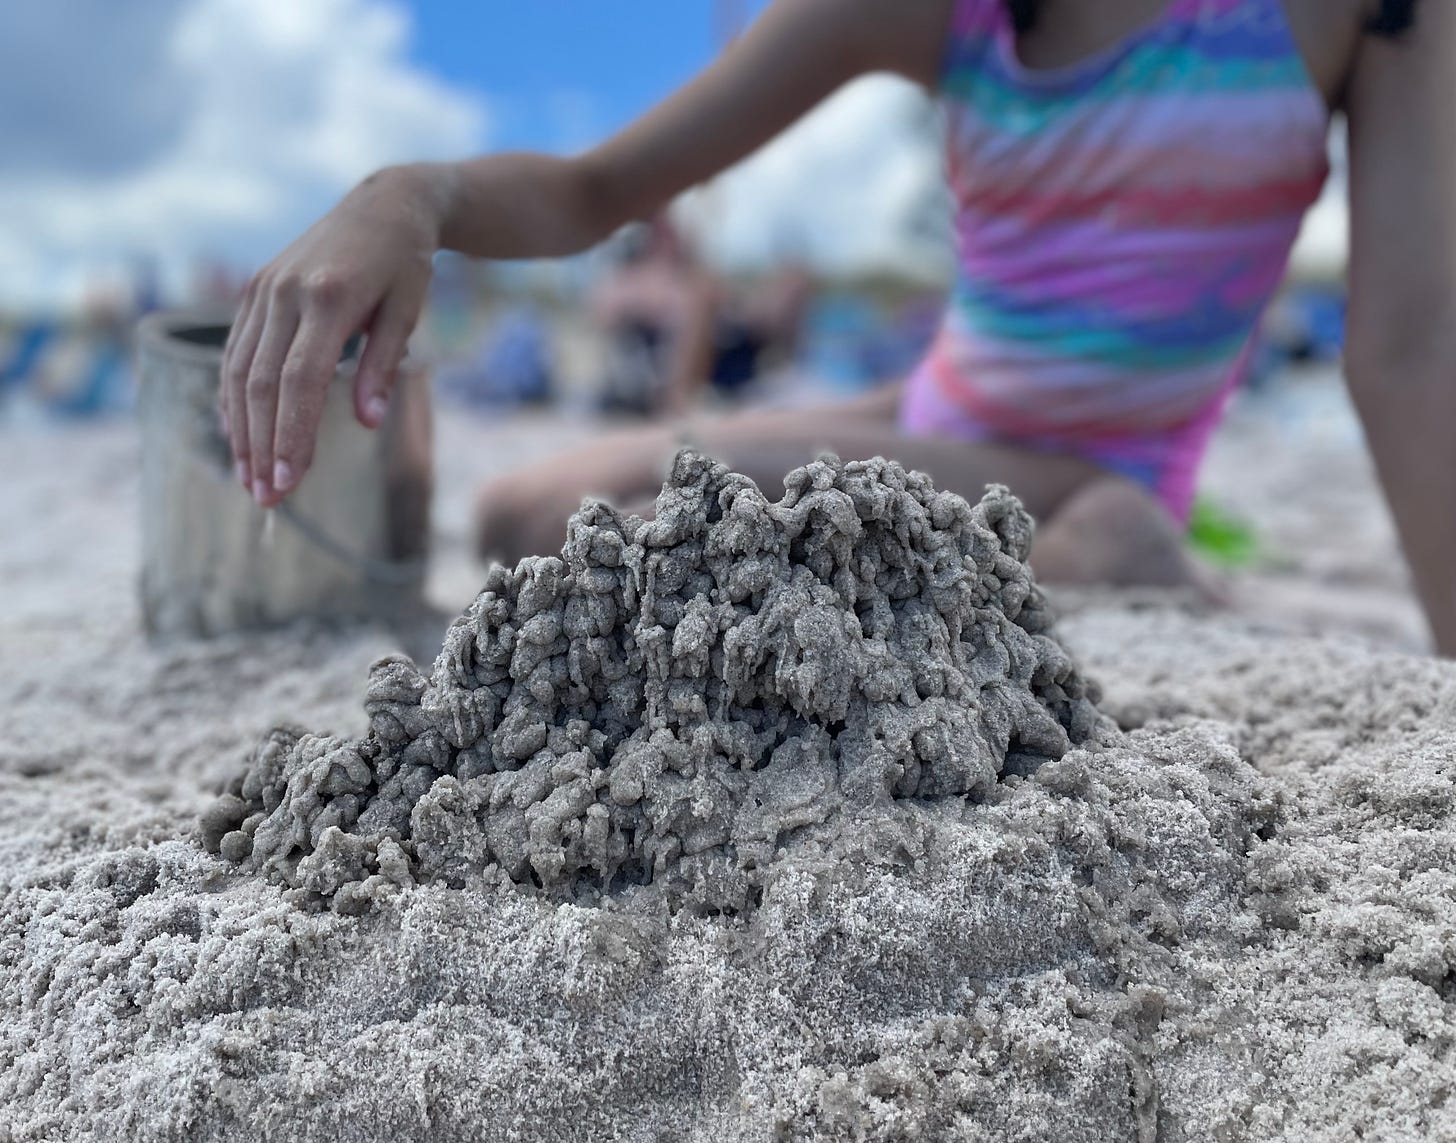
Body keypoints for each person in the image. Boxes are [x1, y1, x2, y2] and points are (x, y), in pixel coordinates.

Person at [220, 0, 1456, 652]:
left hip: (1105, 463)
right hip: (940, 413)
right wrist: (409, 195)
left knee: (583, 529)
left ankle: (1127, 552)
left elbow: (1410, 345)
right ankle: (1107, 558)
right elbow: (597, 190)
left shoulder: (1359, 11)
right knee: (514, 515)